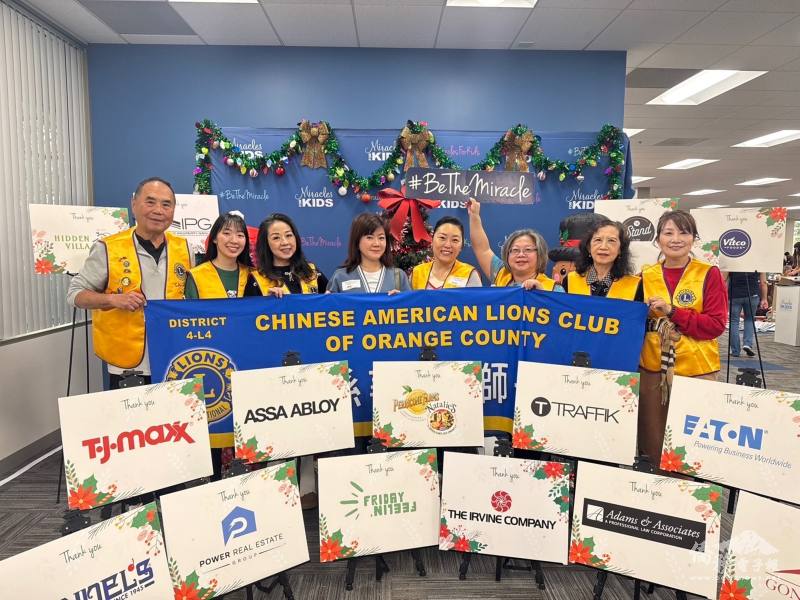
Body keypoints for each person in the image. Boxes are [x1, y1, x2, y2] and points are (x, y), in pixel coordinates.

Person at [67, 177, 191, 388]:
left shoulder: (184, 248)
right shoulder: (108, 248)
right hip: (129, 365)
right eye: (150, 202)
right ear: (134, 204)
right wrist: (113, 300)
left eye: (166, 204)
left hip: (176, 358)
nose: (158, 210)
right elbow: (75, 294)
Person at [638, 210, 727, 467]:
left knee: (692, 444)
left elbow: (715, 325)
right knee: (652, 440)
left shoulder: (708, 274)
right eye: (668, 233)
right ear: (658, 240)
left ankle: (690, 491)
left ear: (694, 239)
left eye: (684, 232)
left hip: (697, 370)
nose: (676, 239)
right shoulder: (645, 275)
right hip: (652, 368)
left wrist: (673, 312)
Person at [467, 198, 562, 291]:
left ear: (540, 254)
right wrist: (474, 215)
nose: (521, 254)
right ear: (507, 255)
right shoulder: (501, 274)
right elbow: (482, 249)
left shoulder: (554, 288)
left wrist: (542, 293)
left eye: (528, 250)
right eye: (515, 250)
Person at [327, 213, 411, 294]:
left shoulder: (398, 276)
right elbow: (329, 303)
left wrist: (401, 300)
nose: (376, 244)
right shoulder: (340, 277)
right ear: (357, 241)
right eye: (370, 237)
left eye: (381, 238)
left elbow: (411, 303)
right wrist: (328, 301)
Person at [563, 218, 642, 301]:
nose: (603, 247)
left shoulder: (635, 286)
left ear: (620, 249)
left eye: (611, 241)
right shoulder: (570, 280)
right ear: (589, 247)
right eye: (598, 240)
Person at [249, 213, 327, 296]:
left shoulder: (311, 271)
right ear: (266, 243)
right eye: (276, 238)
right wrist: (268, 301)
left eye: (288, 235)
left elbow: (330, 299)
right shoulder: (257, 278)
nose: (285, 242)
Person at [185, 211, 253, 300]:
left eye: (240, 235)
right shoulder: (196, 276)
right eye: (227, 233)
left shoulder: (253, 276)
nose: (234, 240)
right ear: (214, 238)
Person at [410, 216, 482, 289]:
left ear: (461, 245)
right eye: (442, 238)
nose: (447, 245)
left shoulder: (469, 274)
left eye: (455, 240)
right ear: (432, 240)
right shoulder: (417, 273)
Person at [724, 271, 768, 357]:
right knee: (749, 319)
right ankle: (747, 344)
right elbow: (763, 283)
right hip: (752, 294)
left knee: (734, 321)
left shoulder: (732, 262)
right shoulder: (759, 263)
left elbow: (723, 279)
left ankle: (735, 350)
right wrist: (764, 298)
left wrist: (723, 296)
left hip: (734, 295)